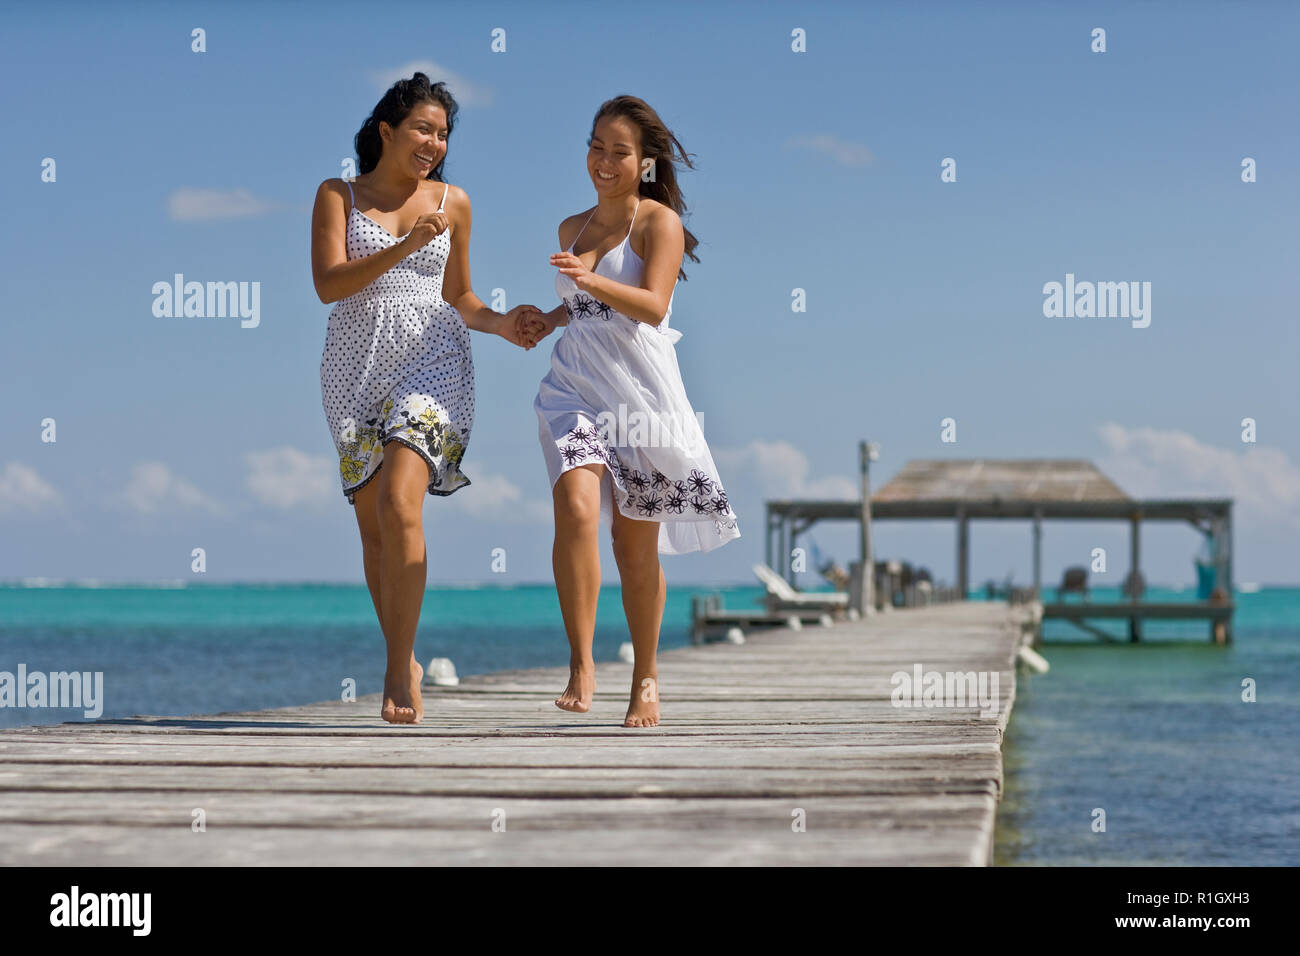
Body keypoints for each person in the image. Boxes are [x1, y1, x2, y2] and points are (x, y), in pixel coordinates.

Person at [311, 73, 544, 724]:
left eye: (442, 134)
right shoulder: (338, 195)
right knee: (373, 530)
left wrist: (503, 322)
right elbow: (329, 285)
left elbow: (460, 297)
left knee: (398, 502)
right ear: (386, 130)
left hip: (436, 365)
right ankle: (404, 655)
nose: (434, 143)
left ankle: (394, 673)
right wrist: (406, 247)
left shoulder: (454, 202)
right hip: (353, 370)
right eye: (422, 128)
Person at [529, 95, 740, 728]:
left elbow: (650, 305)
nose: (603, 160)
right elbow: (587, 308)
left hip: (640, 395)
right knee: (574, 505)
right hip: (573, 387)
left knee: (632, 543)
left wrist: (587, 281)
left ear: (644, 163)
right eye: (595, 146)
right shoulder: (572, 226)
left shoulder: (657, 224)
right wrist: (550, 318)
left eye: (618, 151)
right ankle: (582, 662)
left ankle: (645, 674)